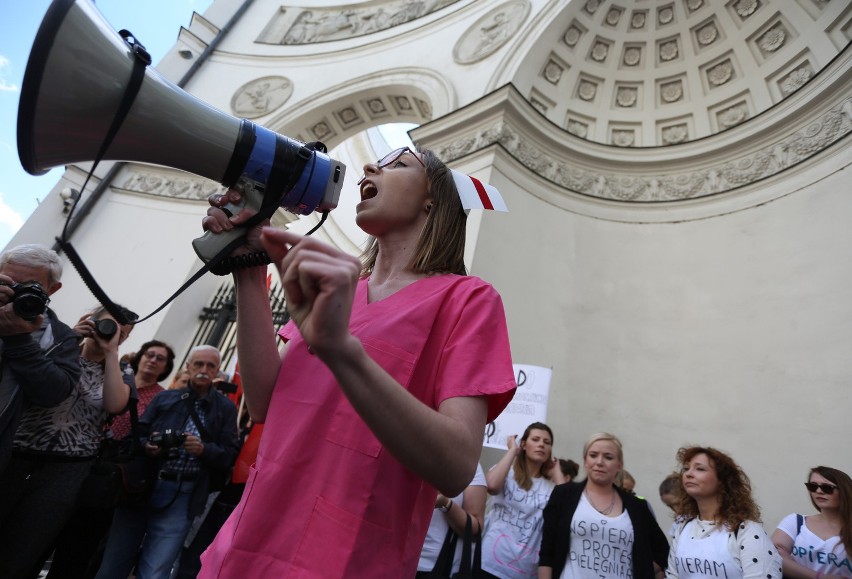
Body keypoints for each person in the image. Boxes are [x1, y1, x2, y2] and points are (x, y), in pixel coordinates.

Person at [197, 146, 516, 576]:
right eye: (375, 162)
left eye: (398, 165)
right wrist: (248, 269)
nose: (370, 167)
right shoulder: (338, 286)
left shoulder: (469, 299)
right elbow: (265, 405)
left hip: (344, 559)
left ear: (433, 199)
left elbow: (457, 467)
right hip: (245, 542)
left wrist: (342, 351)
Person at [0, 305, 134, 578]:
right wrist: (71, 336)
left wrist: (111, 354)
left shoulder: (120, 374)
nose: (113, 334)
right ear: (91, 321)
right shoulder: (57, 351)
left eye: (123, 333)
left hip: (69, 469)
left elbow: (114, 403)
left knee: (26, 546)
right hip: (18, 452)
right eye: (108, 325)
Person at [95, 345, 240, 579]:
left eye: (210, 365)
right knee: (113, 564)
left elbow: (229, 455)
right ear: (189, 367)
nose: (203, 370)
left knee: (156, 570)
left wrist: (204, 450)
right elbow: (134, 437)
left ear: (217, 371)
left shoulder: (225, 408)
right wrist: (148, 447)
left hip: (184, 494)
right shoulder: (166, 398)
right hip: (144, 486)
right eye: (199, 364)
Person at [47, 339, 176, 579]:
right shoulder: (118, 379)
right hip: (84, 454)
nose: (153, 360)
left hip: (116, 470)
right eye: (150, 354)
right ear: (140, 356)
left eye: (161, 358)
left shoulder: (163, 397)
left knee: (86, 539)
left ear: (166, 367)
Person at [538, 432, 669, 579]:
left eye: (608, 457)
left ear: (619, 465)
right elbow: (547, 552)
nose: (599, 462)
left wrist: (640, 569)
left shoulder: (637, 507)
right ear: (585, 460)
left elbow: (662, 550)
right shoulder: (563, 495)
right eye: (593, 455)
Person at [0, 244, 81, 472]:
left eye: (29, 286)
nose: (16, 291)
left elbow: (53, 393)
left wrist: (19, 340)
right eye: (10, 282)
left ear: (52, 289)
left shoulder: (60, 336)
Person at [665, 446, 782, 578]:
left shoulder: (747, 531)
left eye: (700, 469)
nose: (688, 474)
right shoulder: (683, 528)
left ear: (722, 480)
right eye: (686, 468)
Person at [481, 422, 566, 579]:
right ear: (524, 445)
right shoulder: (506, 472)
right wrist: (512, 451)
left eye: (547, 442)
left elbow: (568, 511)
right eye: (536, 439)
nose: (541, 444)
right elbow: (491, 486)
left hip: (525, 571)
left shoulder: (552, 488)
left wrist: (557, 472)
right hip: (489, 563)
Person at [771, 466, 852, 578]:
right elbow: (772, 557)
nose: (819, 491)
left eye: (827, 488)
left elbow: (782, 561)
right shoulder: (795, 522)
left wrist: (793, 566)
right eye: (813, 486)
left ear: (844, 491)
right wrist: (820, 577)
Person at [416, 463, 487, 577]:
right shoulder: (403, 451)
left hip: (436, 565)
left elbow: (474, 529)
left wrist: (446, 504)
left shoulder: (468, 465)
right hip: (390, 555)